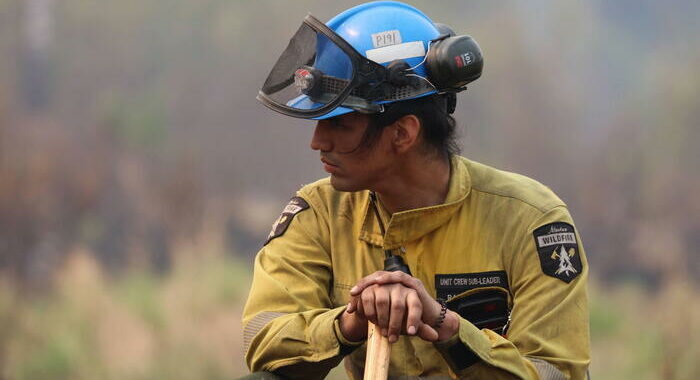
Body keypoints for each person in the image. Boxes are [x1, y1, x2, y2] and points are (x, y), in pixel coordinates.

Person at [243, 1, 590, 379]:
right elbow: (263, 337)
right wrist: (349, 322)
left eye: (339, 125)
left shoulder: (531, 220)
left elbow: (557, 371)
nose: (317, 142)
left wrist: (448, 327)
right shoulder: (318, 213)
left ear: (402, 133)